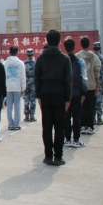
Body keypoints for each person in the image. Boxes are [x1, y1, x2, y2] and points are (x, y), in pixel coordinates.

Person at [34, 29, 72, 166]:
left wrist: (38, 95)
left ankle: (48, 156)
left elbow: (36, 78)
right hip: (60, 94)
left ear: (47, 40)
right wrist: (68, 98)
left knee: (47, 126)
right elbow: (68, 80)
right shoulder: (64, 58)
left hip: (45, 93)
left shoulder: (41, 58)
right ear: (59, 41)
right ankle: (58, 157)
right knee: (59, 127)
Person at [63, 38, 87, 148]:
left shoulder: (63, 61)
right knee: (76, 118)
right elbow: (84, 78)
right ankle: (76, 140)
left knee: (66, 117)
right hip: (77, 93)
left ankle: (67, 139)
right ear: (74, 47)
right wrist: (84, 93)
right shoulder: (80, 62)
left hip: (65, 95)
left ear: (65, 48)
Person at [76, 37, 101, 136]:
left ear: (81, 44)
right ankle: (90, 127)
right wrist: (97, 84)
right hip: (91, 85)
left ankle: (82, 126)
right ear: (89, 44)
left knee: (82, 106)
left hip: (81, 86)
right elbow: (97, 72)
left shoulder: (77, 56)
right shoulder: (94, 56)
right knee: (91, 107)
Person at [4, 46, 26, 130]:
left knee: (9, 107)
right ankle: (16, 124)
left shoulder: (5, 63)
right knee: (17, 106)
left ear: (9, 52)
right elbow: (23, 77)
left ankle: (10, 124)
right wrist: (23, 87)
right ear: (17, 52)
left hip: (8, 87)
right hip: (17, 87)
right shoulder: (21, 63)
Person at [93, 42, 103, 125]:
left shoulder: (91, 57)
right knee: (99, 100)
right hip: (100, 82)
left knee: (92, 100)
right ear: (100, 48)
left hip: (92, 81)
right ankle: (99, 118)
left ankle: (92, 119)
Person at [23, 48, 37, 122]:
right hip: (33, 81)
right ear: (33, 54)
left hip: (26, 81)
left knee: (26, 99)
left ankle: (26, 116)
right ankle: (32, 116)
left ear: (27, 54)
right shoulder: (35, 63)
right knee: (33, 99)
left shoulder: (24, 63)